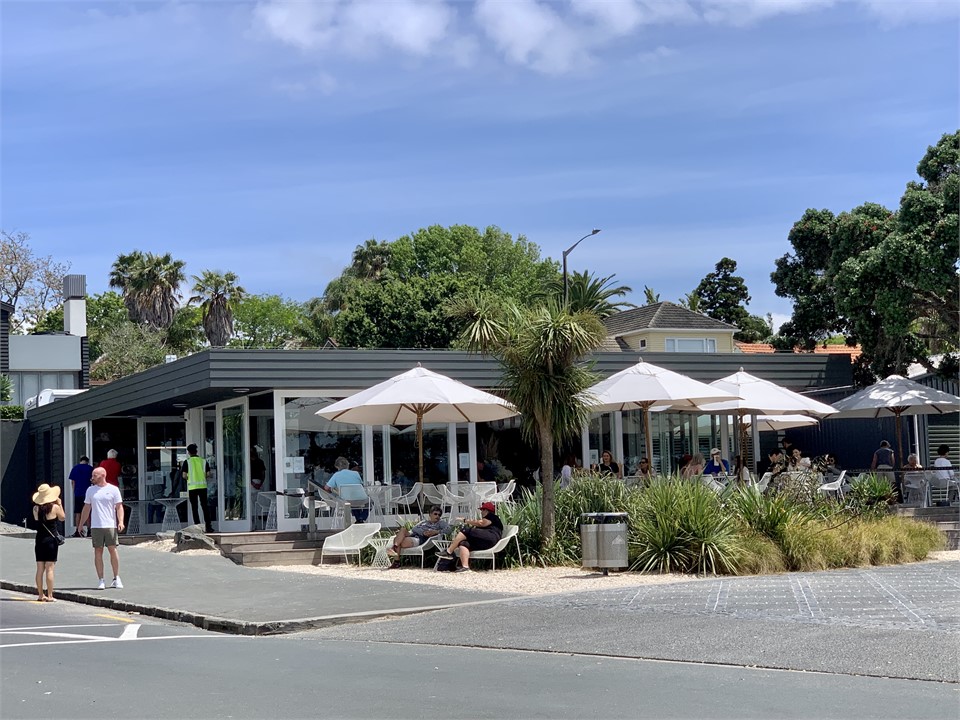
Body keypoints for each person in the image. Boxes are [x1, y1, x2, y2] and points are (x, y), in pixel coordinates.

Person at [78, 467, 125, 590]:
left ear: (102, 475)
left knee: (112, 549)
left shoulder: (113, 490)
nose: (92, 478)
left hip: (110, 524)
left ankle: (116, 577)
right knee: (98, 551)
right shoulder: (90, 490)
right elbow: (86, 508)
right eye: (92, 475)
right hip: (96, 525)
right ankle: (101, 579)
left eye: (95, 475)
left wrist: (121, 521)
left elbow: (119, 506)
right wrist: (81, 523)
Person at [440, 501, 503, 572]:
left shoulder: (492, 517)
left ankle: (448, 552)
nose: (481, 512)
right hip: (485, 542)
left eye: (482, 510)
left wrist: (465, 520)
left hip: (491, 537)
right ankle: (465, 567)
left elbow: (481, 523)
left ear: (486, 510)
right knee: (464, 543)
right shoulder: (488, 519)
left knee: (465, 530)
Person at [32, 483, 65, 602]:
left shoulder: (35, 508)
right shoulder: (54, 508)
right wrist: (59, 504)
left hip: (40, 539)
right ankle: (50, 595)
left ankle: (40, 595)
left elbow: (37, 520)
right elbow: (62, 517)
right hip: (51, 540)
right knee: (50, 568)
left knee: (40, 568)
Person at [324, 456, 368, 522]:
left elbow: (326, 488)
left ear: (337, 467)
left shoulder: (336, 475)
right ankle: (362, 517)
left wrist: (333, 488)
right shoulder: (356, 473)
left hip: (345, 501)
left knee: (351, 501)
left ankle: (359, 519)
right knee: (370, 502)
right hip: (360, 499)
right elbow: (360, 486)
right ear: (348, 465)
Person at [181, 444, 213, 533]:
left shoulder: (187, 462)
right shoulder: (203, 461)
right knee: (205, 507)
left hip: (192, 487)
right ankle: (208, 526)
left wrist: (189, 478)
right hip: (203, 487)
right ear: (196, 451)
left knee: (194, 507)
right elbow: (208, 474)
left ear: (188, 452)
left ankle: (198, 526)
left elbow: (184, 475)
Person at [68, 456, 93, 537]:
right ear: (87, 461)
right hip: (88, 493)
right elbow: (93, 480)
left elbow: (73, 482)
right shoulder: (90, 469)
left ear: (80, 461)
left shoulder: (75, 468)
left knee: (78, 512)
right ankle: (89, 530)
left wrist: (74, 491)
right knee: (88, 512)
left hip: (78, 493)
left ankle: (78, 530)